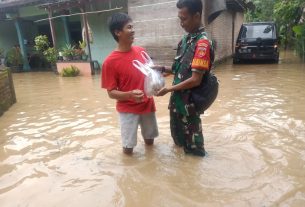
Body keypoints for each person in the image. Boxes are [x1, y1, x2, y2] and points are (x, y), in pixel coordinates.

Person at [154, 0, 213, 157]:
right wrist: (160, 69)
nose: (181, 23)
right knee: (178, 146)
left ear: (197, 16)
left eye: (184, 19)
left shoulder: (202, 44)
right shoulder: (186, 40)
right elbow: (177, 70)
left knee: (194, 153)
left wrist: (168, 89)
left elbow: (195, 79)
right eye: (179, 19)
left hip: (190, 107)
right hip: (176, 105)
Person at [101, 12, 159, 155]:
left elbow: (151, 75)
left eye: (132, 27)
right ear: (118, 32)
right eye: (129, 27)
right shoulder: (109, 62)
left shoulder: (141, 51)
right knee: (128, 148)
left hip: (147, 104)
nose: (133, 30)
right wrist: (129, 95)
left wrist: (158, 82)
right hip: (127, 109)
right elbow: (111, 93)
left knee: (150, 141)